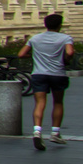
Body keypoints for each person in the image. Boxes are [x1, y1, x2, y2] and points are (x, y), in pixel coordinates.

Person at [18, 12, 75, 150]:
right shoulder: (65, 38)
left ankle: (37, 131)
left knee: (39, 102)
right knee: (58, 102)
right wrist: (66, 60)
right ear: (60, 25)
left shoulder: (35, 38)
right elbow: (70, 52)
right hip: (58, 74)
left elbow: (21, 54)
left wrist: (35, 56)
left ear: (46, 25)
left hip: (39, 74)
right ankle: (55, 133)